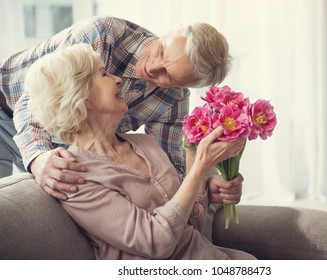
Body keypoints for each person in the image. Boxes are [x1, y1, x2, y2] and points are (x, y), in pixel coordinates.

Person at [25, 43, 254, 260]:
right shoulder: (75, 176)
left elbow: (191, 226)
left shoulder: (145, 142)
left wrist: (201, 178)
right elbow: (157, 241)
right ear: (83, 98)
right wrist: (200, 167)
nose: (117, 79)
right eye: (104, 75)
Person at [0, 16, 234, 201]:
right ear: (168, 33)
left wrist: (202, 187)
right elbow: (30, 102)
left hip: (61, 136)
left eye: (168, 76)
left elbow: (168, 168)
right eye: (161, 51)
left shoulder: (174, 99)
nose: (153, 67)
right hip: (8, 107)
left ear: (184, 85)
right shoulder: (104, 35)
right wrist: (38, 157)